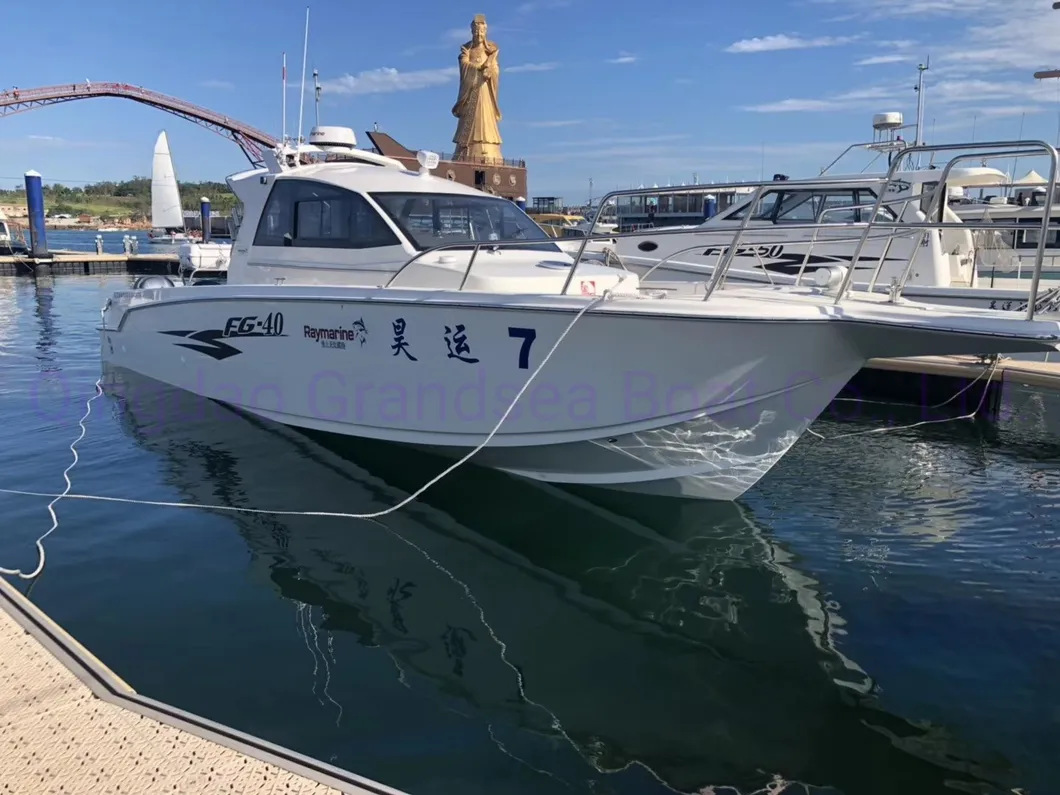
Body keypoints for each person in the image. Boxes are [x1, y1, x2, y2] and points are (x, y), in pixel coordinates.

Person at [451, 14, 502, 163]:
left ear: (485, 32)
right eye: (475, 31)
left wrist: (490, 71)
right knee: (468, 123)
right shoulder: (467, 50)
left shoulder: (490, 51)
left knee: (486, 121)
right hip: (471, 91)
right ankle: (465, 151)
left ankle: (488, 151)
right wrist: (479, 68)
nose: (478, 34)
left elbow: (496, 69)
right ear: (472, 32)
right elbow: (464, 65)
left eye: (481, 31)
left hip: (485, 91)